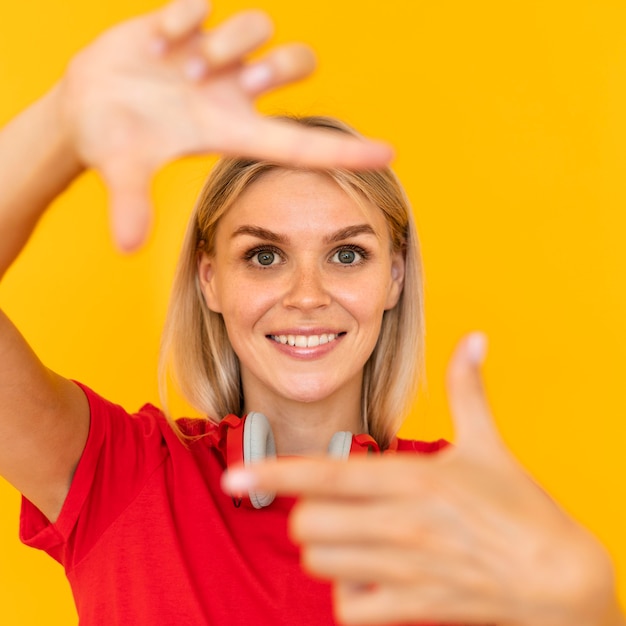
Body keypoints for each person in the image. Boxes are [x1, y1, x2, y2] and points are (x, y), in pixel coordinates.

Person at [0, 0, 623, 624]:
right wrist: (60, 125)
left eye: (348, 254)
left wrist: (587, 609)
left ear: (395, 279)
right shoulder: (120, 477)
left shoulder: (465, 510)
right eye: (265, 255)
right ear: (210, 280)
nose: (306, 295)